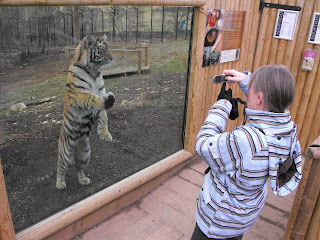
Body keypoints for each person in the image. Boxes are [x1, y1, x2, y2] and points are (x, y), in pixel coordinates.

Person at [191, 64, 302, 240]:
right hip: (242, 217)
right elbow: (268, 105)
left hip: (217, 223)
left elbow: (203, 145)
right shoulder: (286, 129)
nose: (248, 90)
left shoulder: (247, 141)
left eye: (251, 89)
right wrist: (247, 82)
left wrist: (222, 106)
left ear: (259, 98)